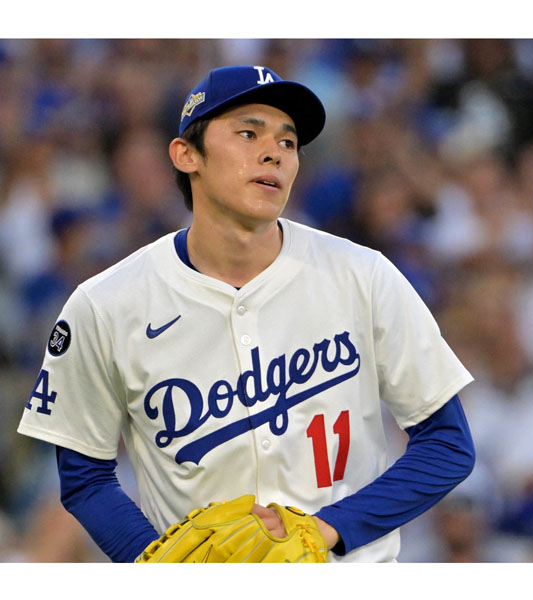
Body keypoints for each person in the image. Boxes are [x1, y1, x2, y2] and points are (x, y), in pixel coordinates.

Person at [17, 65, 476, 563]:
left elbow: (447, 443)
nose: (274, 152)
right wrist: (155, 562)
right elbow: (85, 476)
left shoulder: (363, 275)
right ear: (187, 154)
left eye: (288, 141)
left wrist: (328, 529)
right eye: (248, 133)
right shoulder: (105, 304)